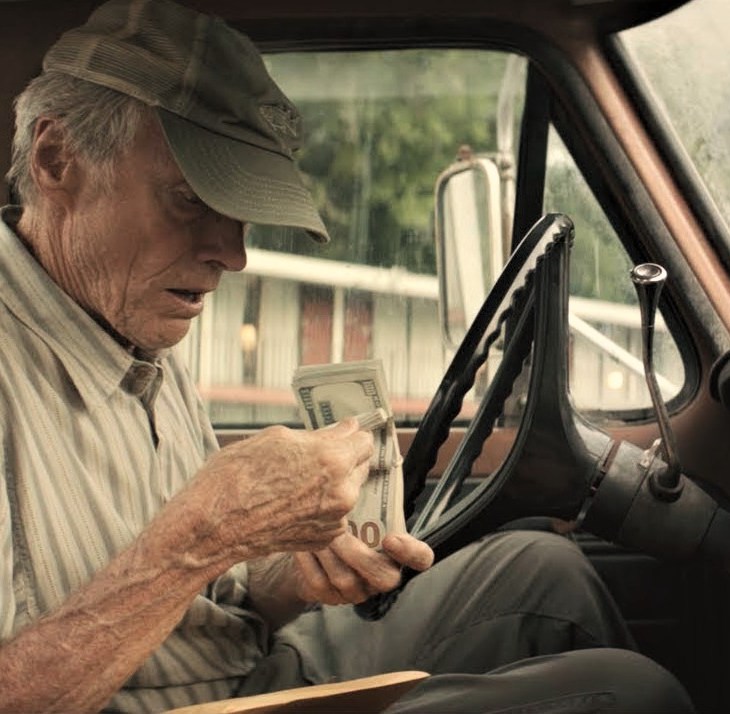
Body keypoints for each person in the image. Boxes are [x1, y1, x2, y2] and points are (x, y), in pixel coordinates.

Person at [0, 1, 696, 713]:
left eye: (239, 215)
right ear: (57, 159)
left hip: (248, 667)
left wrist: (292, 575)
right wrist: (198, 537)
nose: (232, 255)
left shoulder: (131, 314)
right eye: (190, 199)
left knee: (541, 569)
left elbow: (215, 603)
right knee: (631, 693)